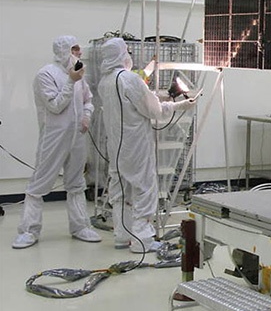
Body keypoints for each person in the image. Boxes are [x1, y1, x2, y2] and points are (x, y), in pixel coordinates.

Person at [98, 38, 196, 253]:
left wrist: (151, 80)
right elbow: (154, 110)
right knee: (144, 188)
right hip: (135, 144)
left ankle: (122, 236)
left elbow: (137, 97)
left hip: (115, 146)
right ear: (121, 54)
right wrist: (179, 106)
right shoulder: (129, 80)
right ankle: (142, 240)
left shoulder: (104, 82)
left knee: (120, 190)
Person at [12, 36, 102, 249]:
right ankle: (28, 230)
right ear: (63, 50)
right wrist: (71, 81)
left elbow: (88, 100)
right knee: (39, 183)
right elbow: (55, 106)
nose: (79, 53)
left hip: (77, 136)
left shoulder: (79, 75)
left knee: (76, 183)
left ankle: (80, 226)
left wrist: (87, 115)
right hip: (54, 137)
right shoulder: (46, 74)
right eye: (75, 49)